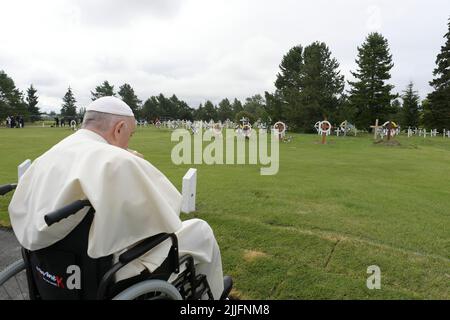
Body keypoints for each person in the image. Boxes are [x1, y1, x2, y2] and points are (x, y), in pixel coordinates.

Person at [8, 96, 231, 300]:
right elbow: (168, 211)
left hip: (50, 266)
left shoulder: (48, 156)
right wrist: (128, 159)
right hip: (104, 272)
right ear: (119, 128)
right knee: (201, 230)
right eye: (129, 135)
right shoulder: (115, 160)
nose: (128, 142)